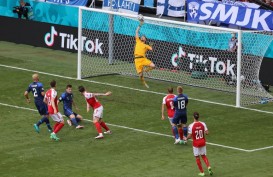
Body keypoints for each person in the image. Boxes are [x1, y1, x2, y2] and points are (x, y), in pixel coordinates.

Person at [187, 112, 213, 176]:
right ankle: (208, 166)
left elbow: (190, 136)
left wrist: (186, 138)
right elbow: (207, 133)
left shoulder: (191, 126)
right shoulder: (203, 124)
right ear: (198, 117)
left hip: (196, 144)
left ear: (193, 117)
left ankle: (202, 172)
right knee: (204, 156)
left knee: (197, 157)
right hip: (202, 142)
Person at [134, 20, 155, 88]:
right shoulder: (138, 41)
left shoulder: (146, 45)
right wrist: (140, 24)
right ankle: (144, 83)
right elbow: (136, 32)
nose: (142, 37)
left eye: (144, 37)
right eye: (142, 36)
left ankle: (146, 70)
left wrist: (151, 46)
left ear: (145, 39)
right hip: (137, 60)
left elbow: (152, 49)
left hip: (143, 59)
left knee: (153, 66)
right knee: (140, 75)